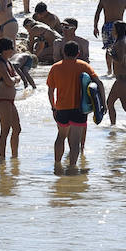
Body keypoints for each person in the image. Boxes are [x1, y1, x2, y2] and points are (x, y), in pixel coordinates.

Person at [45, 41, 103, 172]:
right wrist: (102, 104)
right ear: (78, 53)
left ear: (63, 52)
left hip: (61, 108)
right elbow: (98, 84)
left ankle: (57, 165)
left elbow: (50, 90)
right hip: (79, 109)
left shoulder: (55, 67)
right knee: (75, 142)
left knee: (61, 137)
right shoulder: (84, 66)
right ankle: (72, 167)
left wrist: (53, 106)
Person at [0, 36, 35, 159]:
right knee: (5, 131)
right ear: (5, 50)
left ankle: (14, 157)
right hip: (3, 101)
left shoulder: (8, 62)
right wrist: (15, 79)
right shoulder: (0, 64)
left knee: (17, 129)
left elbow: (16, 78)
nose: (13, 51)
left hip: (10, 101)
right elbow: (10, 81)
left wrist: (14, 79)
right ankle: (2, 158)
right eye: (11, 49)